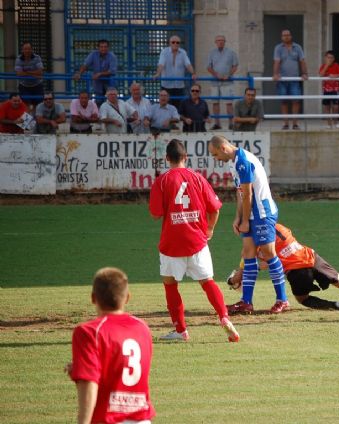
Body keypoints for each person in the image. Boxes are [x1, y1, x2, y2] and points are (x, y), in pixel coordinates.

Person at [149, 139, 240, 342]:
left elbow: (155, 214)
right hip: (197, 241)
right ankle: (224, 317)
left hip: (172, 243)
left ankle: (181, 331)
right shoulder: (198, 178)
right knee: (207, 282)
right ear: (185, 158)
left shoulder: (162, 181)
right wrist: (209, 229)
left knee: (170, 285)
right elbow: (215, 208)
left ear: (167, 159)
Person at [208, 135, 289, 314]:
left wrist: (245, 221)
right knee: (248, 253)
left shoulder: (242, 161)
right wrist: (238, 217)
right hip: (251, 213)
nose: (216, 159)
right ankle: (246, 302)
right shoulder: (233, 160)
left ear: (223, 148)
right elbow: (241, 193)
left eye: (215, 154)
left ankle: (282, 300)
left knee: (268, 253)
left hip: (262, 213)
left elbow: (249, 194)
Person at [65, 267, 155, 424]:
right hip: (141, 419)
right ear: (127, 297)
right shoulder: (142, 328)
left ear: (93, 298)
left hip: (107, 419)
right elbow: (125, 365)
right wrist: (82, 367)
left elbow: (89, 383)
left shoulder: (88, 331)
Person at [226, 222, 339, 310]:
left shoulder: (255, 241)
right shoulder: (278, 226)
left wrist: (234, 279)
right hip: (312, 257)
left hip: (297, 270)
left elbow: (261, 264)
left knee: (303, 299)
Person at [273, 29, 308, 130]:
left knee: (296, 101)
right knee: (283, 101)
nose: (286, 37)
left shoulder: (297, 47)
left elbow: (302, 61)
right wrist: (275, 74)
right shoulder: (278, 48)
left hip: (295, 79)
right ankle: (285, 124)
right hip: (282, 79)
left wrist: (304, 73)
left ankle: (295, 124)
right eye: (284, 35)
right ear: (281, 37)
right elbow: (276, 61)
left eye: (288, 35)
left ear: (291, 36)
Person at [154, 35, 196, 109]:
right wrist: (158, 73)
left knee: (178, 108)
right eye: (173, 42)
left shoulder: (183, 52)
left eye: (177, 42)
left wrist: (193, 73)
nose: (175, 44)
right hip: (166, 85)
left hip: (179, 86)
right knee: (165, 107)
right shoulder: (164, 52)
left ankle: (176, 120)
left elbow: (188, 64)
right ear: (170, 43)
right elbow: (161, 64)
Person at [206, 35, 238, 130]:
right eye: (218, 40)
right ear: (215, 42)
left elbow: (235, 66)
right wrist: (216, 74)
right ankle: (217, 124)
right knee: (215, 103)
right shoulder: (211, 53)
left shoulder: (231, 53)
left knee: (229, 103)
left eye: (222, 40)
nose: (220, 42)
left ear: (225, 42)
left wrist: (228, 75)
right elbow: (208, 67)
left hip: (227, 82)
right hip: (215, 82)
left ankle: (231, 123)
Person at [73, 39, 117, 105]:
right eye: (101, 47)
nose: (103, 49)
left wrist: (100, 74)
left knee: (111, 100)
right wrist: (79, 73)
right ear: (98, 48)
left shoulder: (112, 56)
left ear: (108, 48)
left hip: (109, 81)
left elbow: (112, 71)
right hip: (98, 81)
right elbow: (85, 65)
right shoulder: (93, 54)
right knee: (98, 100)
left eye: (105, 47)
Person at [318, 50, 339, 129]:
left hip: (335, 89)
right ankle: (329, 124)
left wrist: (335, 76)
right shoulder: (323, 66)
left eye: (331, 57)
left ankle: (336, 122)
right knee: (327, 106)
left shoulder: (336, 65)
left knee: (335, 106)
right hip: (326, 89)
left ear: (334, 58)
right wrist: (327, 66)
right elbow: (321, 75)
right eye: (328, 57)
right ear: (325, 58)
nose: (330, 59)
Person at [14, 42, 44, 109]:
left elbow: (40, 72)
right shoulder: (18, 59)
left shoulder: (37, 57)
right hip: (24, 86)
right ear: (22, 50)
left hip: (37, 85)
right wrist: (34, 74)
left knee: (37, 105)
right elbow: (19, 73)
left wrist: (26, 72)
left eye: (29, 49)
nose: (27, 51)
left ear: (32, 50)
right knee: (26, 105)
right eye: (25, 49)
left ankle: (35, 119)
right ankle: (28, 119)